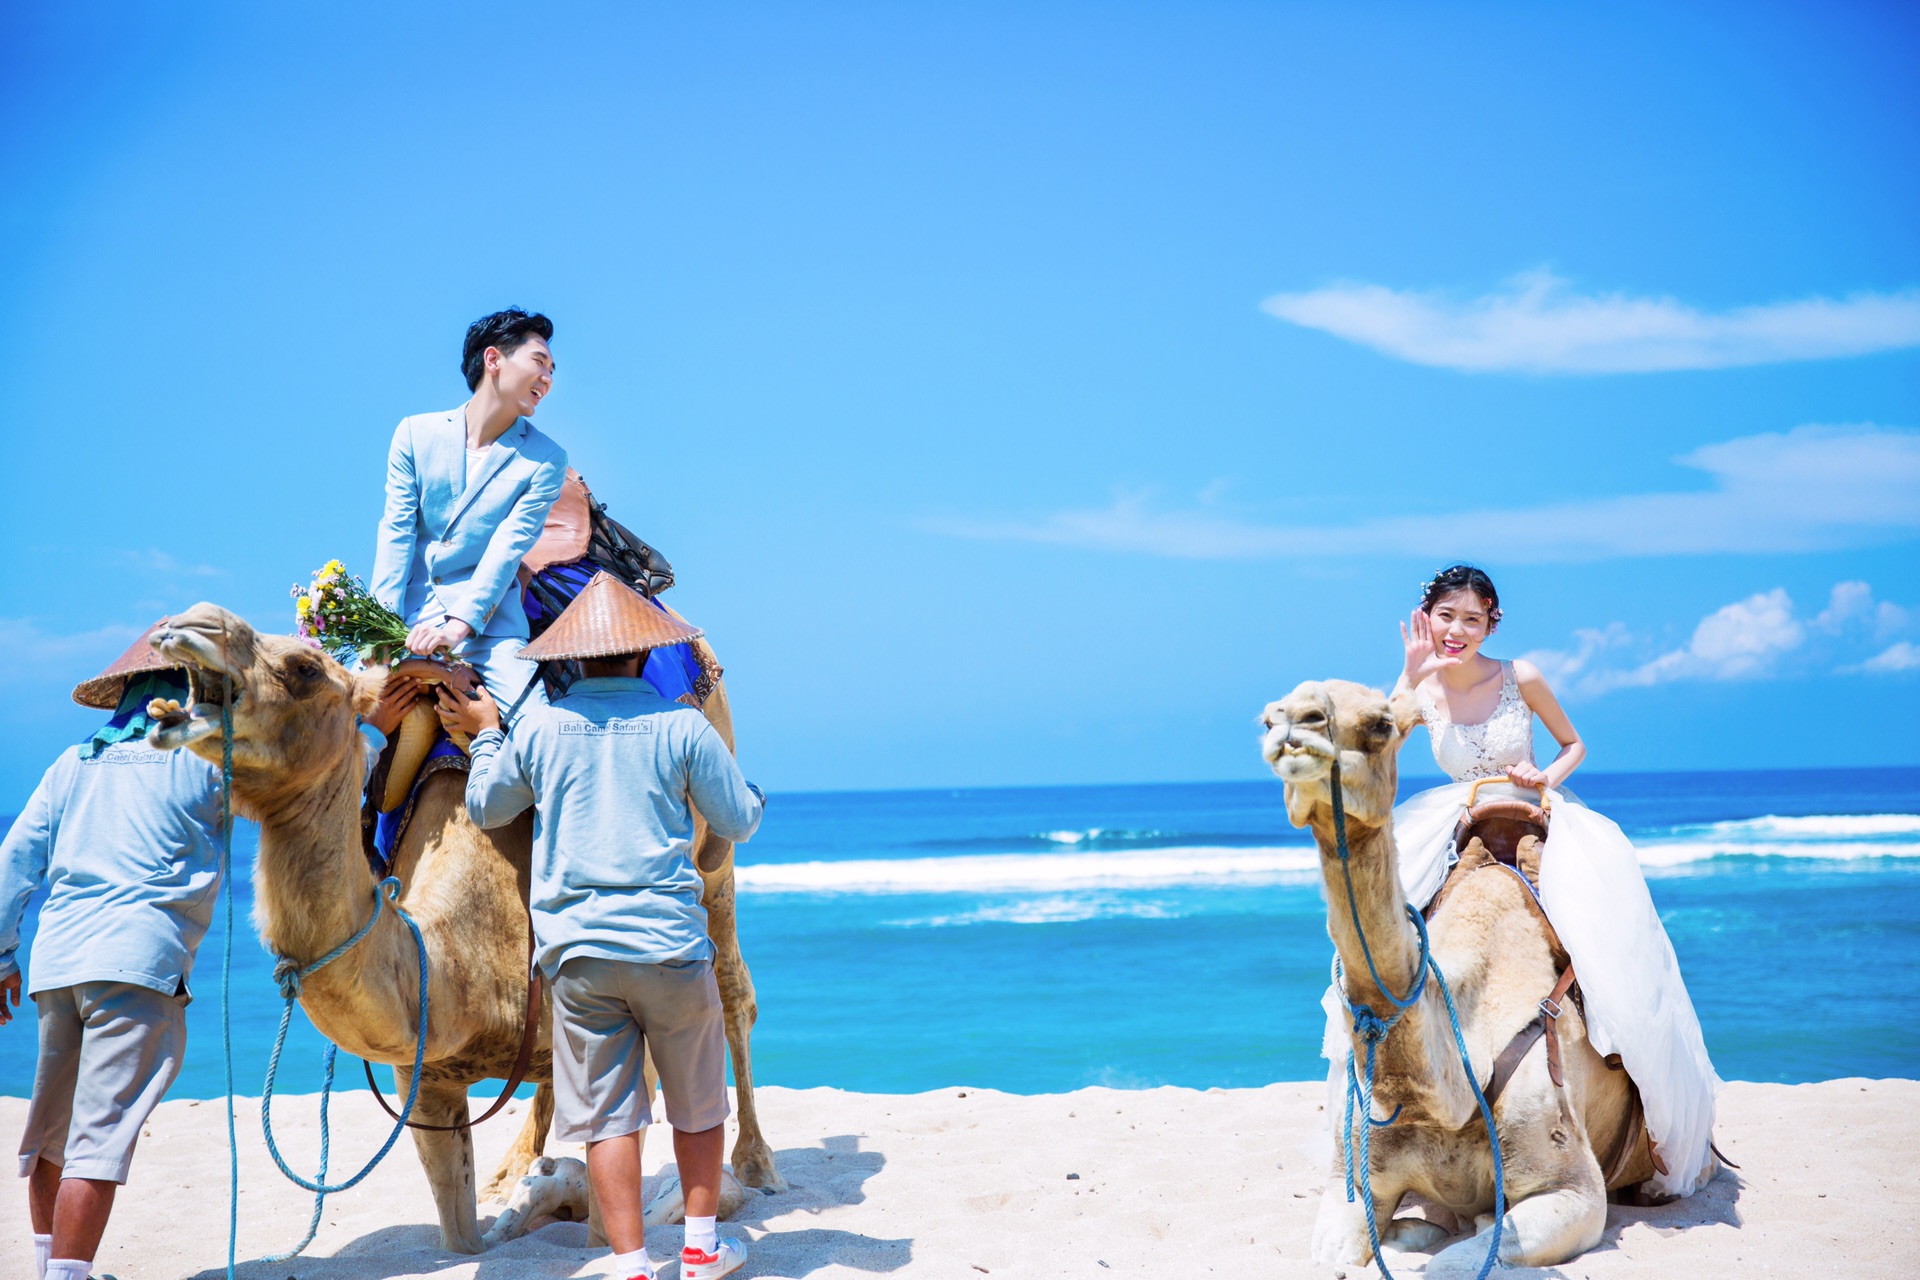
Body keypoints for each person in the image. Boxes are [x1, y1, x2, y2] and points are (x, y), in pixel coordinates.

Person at [0, 625, 409, 1280]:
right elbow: (294, 789)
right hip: (136, 962)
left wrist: (1, 958)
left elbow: (13, 864)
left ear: (123, 695)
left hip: (56, 964)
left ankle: (52, 1267)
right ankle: (67, 1277)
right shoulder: (203, 760)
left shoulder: (71, 765)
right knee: (97, 1145)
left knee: (53, 1134)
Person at [437, 572, 764, 1280]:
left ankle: (630, 1261)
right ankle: (702, 1251)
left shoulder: (543, 729)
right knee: (698, 1105)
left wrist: (489, 735)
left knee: (609, 1118)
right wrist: (752, 796)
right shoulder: (685, 726)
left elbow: (490, 806)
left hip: (579, 955)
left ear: (572, 660)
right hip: (671, 948)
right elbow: (736, 821)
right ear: (646, 656)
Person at [1363, 563, 1721, 1199]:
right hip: (1458, 812)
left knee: (1595, 939)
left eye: (1473, 619)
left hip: (1536, 809)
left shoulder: (1519, 675)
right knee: (1404, 926)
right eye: (1446, 617)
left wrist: (1544, 777)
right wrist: (1408, 673)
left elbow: (1574, 744)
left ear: (1490, 623)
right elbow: (1377, 746)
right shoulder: (1422, 689)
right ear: (1427, 618)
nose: (1458, 630)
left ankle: (1623, 1083)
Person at [371, 307, 569, 709]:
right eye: (539, 362)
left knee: (538, 729)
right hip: (407, 619)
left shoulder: (547, 459)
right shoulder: (414, 433)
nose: (547, 378)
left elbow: (507, 550)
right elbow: (396, 533)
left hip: (488, 632)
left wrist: (459, 627)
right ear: (493, 359)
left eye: (552, 369)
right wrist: (381, 630)